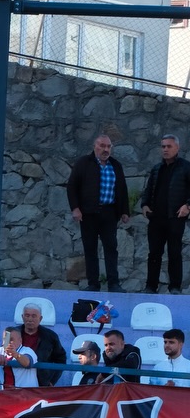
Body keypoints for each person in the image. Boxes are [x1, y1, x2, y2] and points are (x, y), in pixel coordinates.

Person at [66, 135, 130, 293]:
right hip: (88, 213)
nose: (105, 149)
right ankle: (93, 284)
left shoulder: (116, 165)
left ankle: (113, 284)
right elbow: (72, 186)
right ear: (95, 146)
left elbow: (122, 189)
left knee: (111, 248)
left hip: (109, 212)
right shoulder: (83, 163)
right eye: (102, 146)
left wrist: (124, 211)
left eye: (108, 146)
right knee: (90, 249)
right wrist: (75, 208)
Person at [140, 134, 190, 294]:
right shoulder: (157, 169)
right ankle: (150, 286)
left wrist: (188, 206)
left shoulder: (186, 167)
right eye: (163, 146)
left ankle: (174, 287)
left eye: (169, 146)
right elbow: (148, 190)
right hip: (156, 219)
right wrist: (144, 205)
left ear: (177, 148)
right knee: (154, 253)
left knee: (174, 253)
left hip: (175, 218)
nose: (165, 149)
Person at [16, 304, 67, 387]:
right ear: (22, 317)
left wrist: (52, 381)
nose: (30, 319)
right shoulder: (12, 333)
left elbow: (61, 359)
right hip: (15, 380)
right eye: (27, 315)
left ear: (40, 318)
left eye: (34, 316)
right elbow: (4, 353)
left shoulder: (51, 336)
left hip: (42, 383)